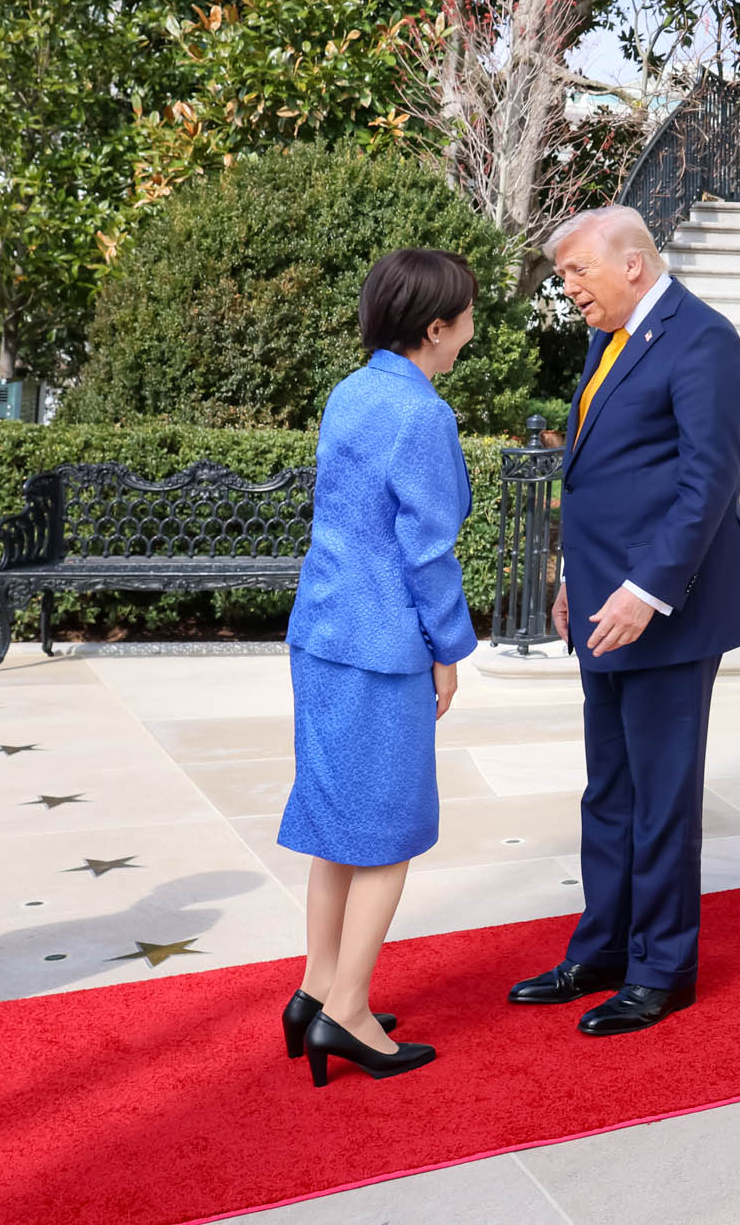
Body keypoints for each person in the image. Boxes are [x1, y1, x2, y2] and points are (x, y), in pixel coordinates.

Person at [507, 205, 740, 1037]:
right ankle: (604, 948)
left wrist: (644, 589)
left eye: (577, 272)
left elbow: (706, 484)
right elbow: (600, 475)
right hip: (604, 605)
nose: (567, 288)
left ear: (633, 266)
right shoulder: (611, 336)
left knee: (661, 796)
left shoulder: (704, 342)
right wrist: (577, 581)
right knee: (609, 789)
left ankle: (662, 967)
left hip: (669, 610)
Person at [280, 248, 485, 1086]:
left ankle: (316, 988)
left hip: (322, 628)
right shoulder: (421, 415)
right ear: (435, 329)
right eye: (467, 316)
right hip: (382, 641)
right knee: (389, 833)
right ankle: (348, 1014)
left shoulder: (352, 391)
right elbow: (428, 551)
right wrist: (451, 649)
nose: (473, 329)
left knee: (337, 822)